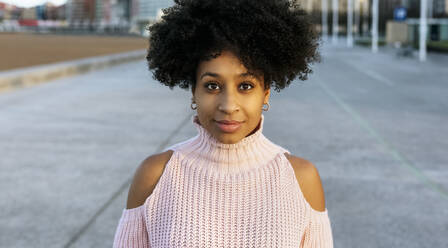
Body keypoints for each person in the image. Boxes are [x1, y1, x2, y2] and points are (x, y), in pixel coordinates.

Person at [113, 0, 333, 247]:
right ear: (194, 91)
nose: (229, 105)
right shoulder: (155, 176)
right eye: (212, 86)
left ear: (266, 93)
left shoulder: (301, 179)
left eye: (246, 86)